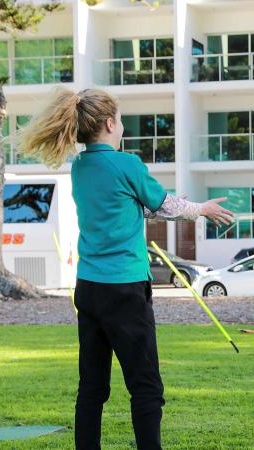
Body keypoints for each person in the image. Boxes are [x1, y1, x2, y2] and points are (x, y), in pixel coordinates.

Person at [18, 88, 234, 450]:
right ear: (108, 123)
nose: (121, 127)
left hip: (88, 289)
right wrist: (202, 208)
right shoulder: (128, 164)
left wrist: (172, 207)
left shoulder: (81, 167)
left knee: (92, 387)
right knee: (146, 386)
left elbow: (130, 207)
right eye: (119, 120)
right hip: (126, 289)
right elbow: (164, 205)